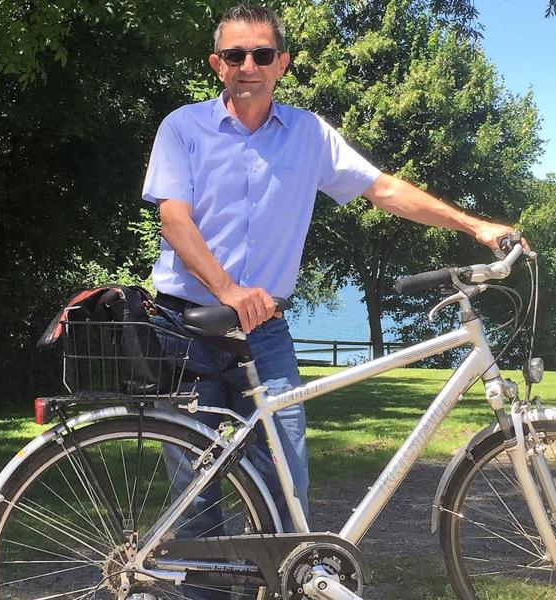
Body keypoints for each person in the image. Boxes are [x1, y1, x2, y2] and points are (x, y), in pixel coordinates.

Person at [141, 5, 518, 594]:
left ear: (282, 64)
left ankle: (292, 586)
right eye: (235, 55)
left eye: (261, 55)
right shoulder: (182, 128)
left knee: (288, 479)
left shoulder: (309, 135)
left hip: (264, 332)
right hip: (182, 325)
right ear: (217, 64)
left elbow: (382, 188)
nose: (248, 66)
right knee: (194, 492)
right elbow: (174, 219)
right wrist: (230, 290)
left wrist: (473, 226)